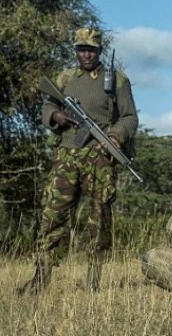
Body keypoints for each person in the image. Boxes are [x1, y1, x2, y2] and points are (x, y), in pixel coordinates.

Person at [18, 28, 138, 294]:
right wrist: (56, 117)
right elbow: (48, 107)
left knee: (100, 217)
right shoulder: (65, 77)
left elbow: (129, 117)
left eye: (91, 50)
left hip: (100, 156)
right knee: (53, 215)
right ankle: (40, 279)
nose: (85, 54)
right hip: (66, 156)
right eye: (81, 49)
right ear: (75, 50)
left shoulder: (117, 80)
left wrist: (116, 137)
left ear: (99, 51)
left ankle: (94, 281)